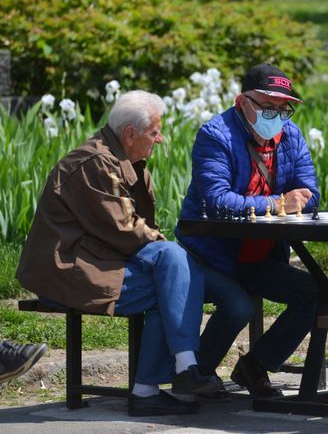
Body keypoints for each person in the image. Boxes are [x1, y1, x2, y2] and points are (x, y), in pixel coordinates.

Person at [15, 91, 220, 416]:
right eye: (155, 132)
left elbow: (136, 234)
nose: (161, 139)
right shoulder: (97, 162)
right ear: (130, 134)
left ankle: (156, 385)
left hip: (99, 263)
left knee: (172, 277)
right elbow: (125, 231)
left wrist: (165, 251)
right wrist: (165, 249)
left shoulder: (127, 161)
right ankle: (175, 374)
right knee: (172, 270)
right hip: (65, 272)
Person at [176, 63, 320, 398]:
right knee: (239, 306)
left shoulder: (291, 135)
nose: (276, 114)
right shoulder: (216, 135)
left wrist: (295, 200)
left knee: (315, 292)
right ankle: (196, 376)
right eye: (267, 106)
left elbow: (309, 194)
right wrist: (277, 204)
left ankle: (255, 366)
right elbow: (217, 201)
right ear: (243, 102)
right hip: (210, 256)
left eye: (282, 108)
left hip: (261, 257)